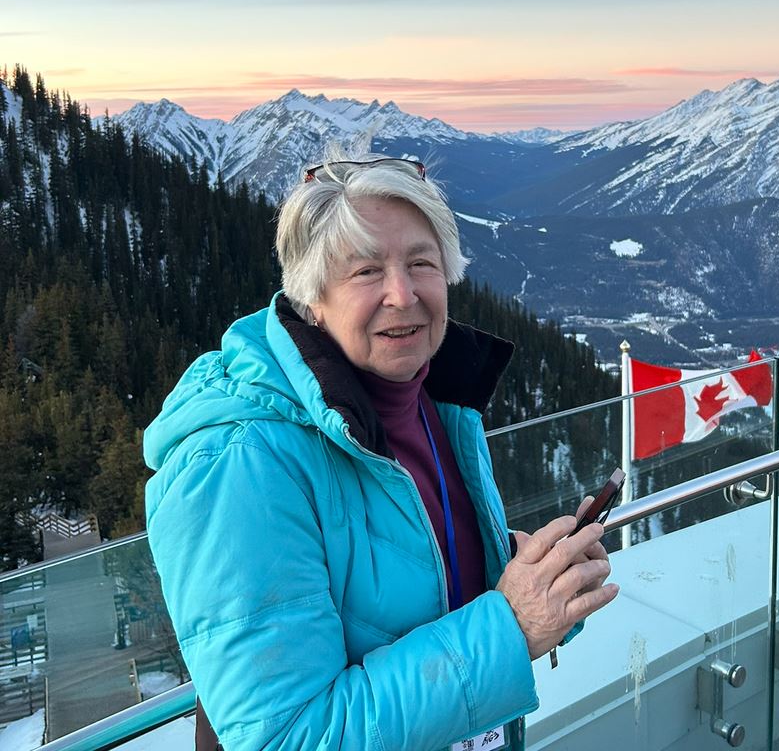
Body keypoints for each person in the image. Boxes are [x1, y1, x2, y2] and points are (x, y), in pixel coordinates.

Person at [143, 154, 619, 751]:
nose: (403, 294)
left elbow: (426, 598)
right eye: (366, 270)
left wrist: (538, 587)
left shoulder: (431, 400)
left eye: (421, 263)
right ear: (311, 298)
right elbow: (285, 737)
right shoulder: (236, 462)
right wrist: (510, 627)